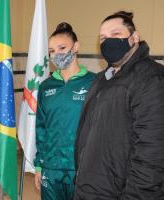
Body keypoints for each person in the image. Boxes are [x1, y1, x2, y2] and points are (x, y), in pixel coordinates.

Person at [74, 11, 164, 199]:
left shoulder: (151, 78)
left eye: (116, 34)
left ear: (135, 37)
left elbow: (152, 154)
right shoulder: (101, 79)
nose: (108, 41)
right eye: (103, 38)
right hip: (88, 189)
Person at [33, 22, 95, 200]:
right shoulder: (46, 86)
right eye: (51, 50)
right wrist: (39, 166)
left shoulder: (94, 83)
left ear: (75, 47)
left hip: (82, 168)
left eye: (62, 47)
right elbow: (41, 129)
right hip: (51, 169)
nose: (56, 54)